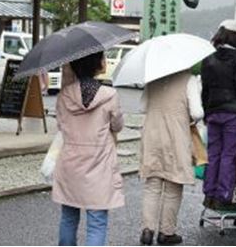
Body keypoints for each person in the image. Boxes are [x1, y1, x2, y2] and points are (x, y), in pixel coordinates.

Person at [52, 52, 124, 246]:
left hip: (70, 163)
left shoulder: (64, 95)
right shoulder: (109, 95)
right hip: (99, 163)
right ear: (96, 64)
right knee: (97, 222)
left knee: (68, 217)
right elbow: (117, 125)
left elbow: (61, 125)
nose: (105, 61)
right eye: (103, 57)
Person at [139, 70, 204, 245]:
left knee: (152, 185)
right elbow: (197, 112)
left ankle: (147, 230)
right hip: (176, 135)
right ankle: (166, 233)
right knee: (173, 186)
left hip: (152, 134)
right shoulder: (188, 80)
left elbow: (142, 107)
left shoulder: (153, 78)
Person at [200, 19, 236, 211]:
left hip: (213, 113)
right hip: (232, 114)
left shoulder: (208, 57)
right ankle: (223, 197)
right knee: (228, 156)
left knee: (213, 155)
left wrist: (206, 112)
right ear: (235, 36)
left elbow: (204, 90)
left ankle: (209, 195)